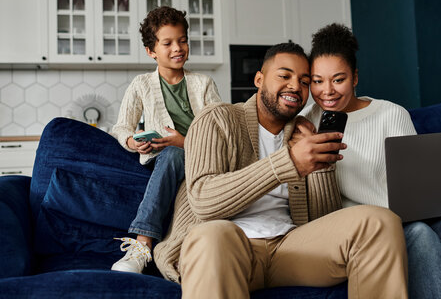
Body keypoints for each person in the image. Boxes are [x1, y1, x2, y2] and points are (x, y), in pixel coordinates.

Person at [153, 42, 409, 298]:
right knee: (212, 236)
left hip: (289, 248)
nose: (295, 86)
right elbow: (203, 201)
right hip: (229, 247)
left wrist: (319, 167)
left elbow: (324, 221)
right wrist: (289, 163)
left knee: (379, 222)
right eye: (284, 76)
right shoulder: (217, 119)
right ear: (259, 79)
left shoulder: (304, 131)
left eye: (305, 81)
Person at [296, 23, 441, 299]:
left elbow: (415, 182)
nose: (327, 91)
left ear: (355, 77)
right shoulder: (305, 125)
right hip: (370, 227)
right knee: (419, 235)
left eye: (338, 79)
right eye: (317, 81)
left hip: (412, 216)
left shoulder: (391, 114)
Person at [109, 6, 221, 273]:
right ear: (151, 51)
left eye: (183, 40)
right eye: (168, 43)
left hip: (201, 158)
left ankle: (149, 245)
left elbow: (220, 132)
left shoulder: (203, 83)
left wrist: (184, 142)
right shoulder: (141, 85)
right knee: (170, 155)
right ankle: (141, 247)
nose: (178, 48)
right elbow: (121, 127)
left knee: (174, 152)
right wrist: (133, 142)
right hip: (166, 159)